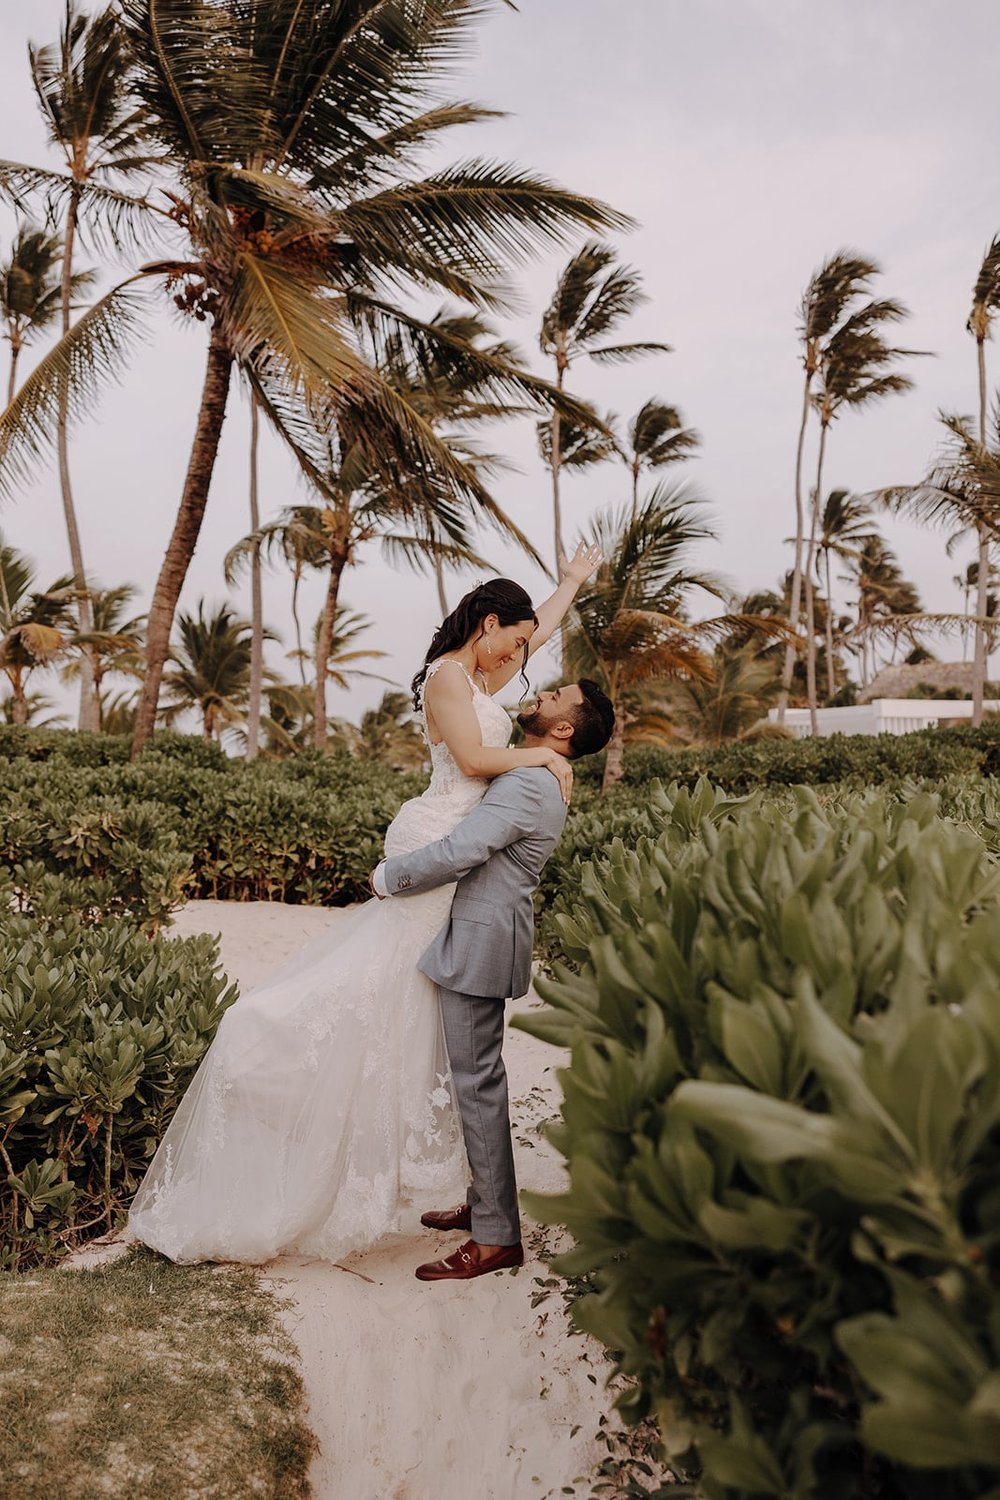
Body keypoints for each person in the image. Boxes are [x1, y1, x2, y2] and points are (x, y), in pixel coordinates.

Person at [128, 546, 602, 1265]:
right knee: (380, 1009)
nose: (526, 656)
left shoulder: (483, 678)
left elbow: (530, 655)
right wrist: (544, 755)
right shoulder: (452, 677)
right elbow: (474, 764)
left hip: (452, 873)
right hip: (438, 851)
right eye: (517, 637)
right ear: (489, 624)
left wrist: (569, 586)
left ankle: (487, 1214)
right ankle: (476, 1206)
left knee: (424, 1035)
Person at [370, 679, 615, 1281]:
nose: (542, 693)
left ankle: (497, 1238)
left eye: (556, 696)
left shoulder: (533, 780)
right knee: (474, 1081)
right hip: (477, 932)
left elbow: (463, 849)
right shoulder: (536, 767)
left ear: (562, 730)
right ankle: (487, 1205)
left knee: (476, 1083)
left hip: (481, 939)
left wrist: (388, 877)